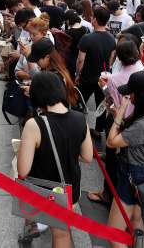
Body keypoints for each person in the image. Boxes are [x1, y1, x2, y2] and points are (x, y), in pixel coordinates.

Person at [17, 71, 93, 246]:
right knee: (61, 235)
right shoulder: (80, 119)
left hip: (42, 190)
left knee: (30, 211)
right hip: (68, 191)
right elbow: (87, 157)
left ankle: (29, 234)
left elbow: (23, 170)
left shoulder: (35, 124)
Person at [105, 71, 144, 248]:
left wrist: (120, 113)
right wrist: (117, 113)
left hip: (131, 175)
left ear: (140, 96)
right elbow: (127, 135)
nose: (128, 95)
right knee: (136, 218)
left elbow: (111, 142)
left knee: (113, 232)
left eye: (131, 92)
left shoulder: (142, 124)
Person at [88, 39, 143, 205]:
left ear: (118, 57)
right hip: (138, 121)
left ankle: (107, 193)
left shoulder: (115, 79)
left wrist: (104, 87)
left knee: (112, 160)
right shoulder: (142, 70)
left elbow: (113, 105)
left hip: (119, 122)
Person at [75, 6, 117, 139]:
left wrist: (77, 75)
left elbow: (80, 59)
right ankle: (98, 131)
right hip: (103, 79)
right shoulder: (111, 38)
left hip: (87, 77)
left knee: (78, 103)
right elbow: (111, 58)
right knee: (101, 105)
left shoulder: (87, 38)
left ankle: (75, 128)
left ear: (94, 20)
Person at [26, 38, 78, 106]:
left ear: (47, 57)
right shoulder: (50, 69)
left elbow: (50, 100)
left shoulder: (55, 77)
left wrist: (32, 91)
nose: (36, 62)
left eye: (37, 60)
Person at [64, 10, 90, 77]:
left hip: (71, 60)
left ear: (68, 21)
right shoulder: (86, 29)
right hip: (85, 59)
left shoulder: (67, 33)